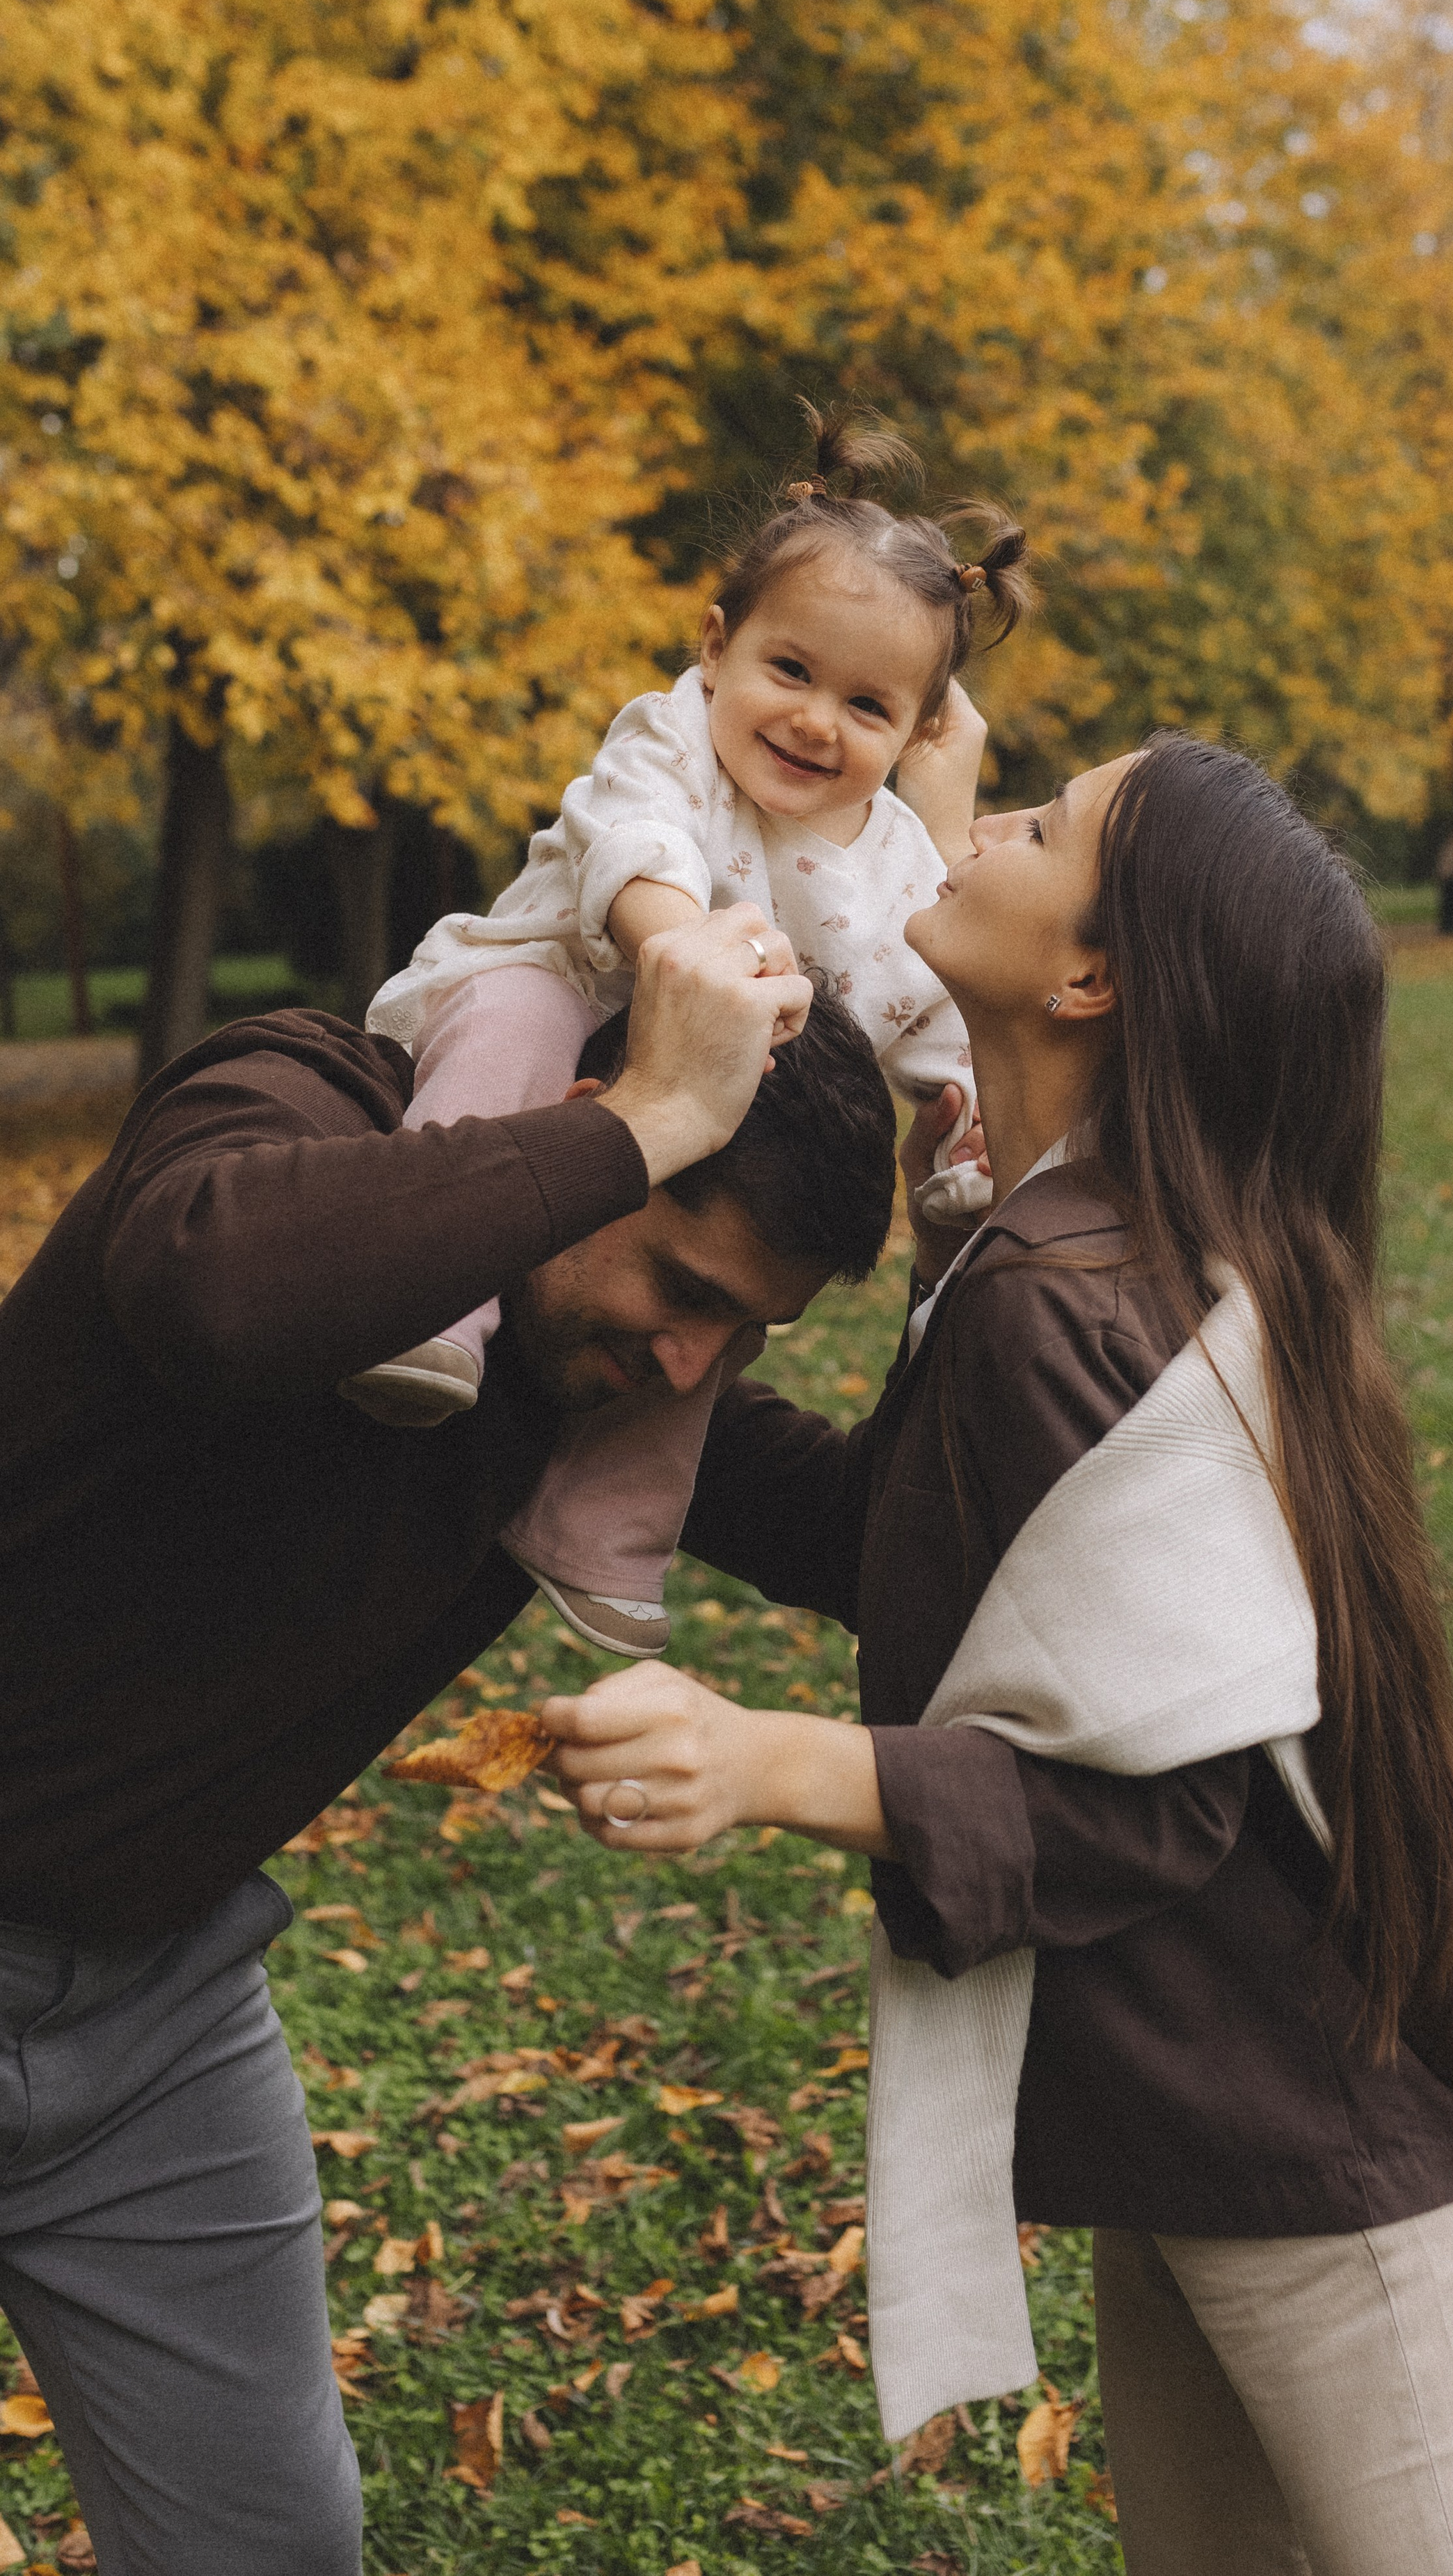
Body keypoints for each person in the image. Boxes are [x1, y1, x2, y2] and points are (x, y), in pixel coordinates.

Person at [544, 738, 1453, 2576]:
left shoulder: (1075, 1292)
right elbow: (919, 1550)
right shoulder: (1073, 1239)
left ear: (1092, 975)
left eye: (1040, 828)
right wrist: (597, 1343)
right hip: (1223, 2138)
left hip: (1348, 2160)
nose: (980, 826)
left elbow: (1161, 1802)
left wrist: (765, 1765)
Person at [0, 908, 900, 2576]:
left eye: (742, 1334)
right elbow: (212, 1285)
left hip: (150, 2014)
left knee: (269, 2544)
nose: (689, 1360)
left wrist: (1020, 1230)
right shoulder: (296, 1097)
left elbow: (878, 1541)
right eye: (686, 1285)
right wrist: (636, 1126)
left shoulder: (598, 1378)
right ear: (581, 1101)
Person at [345, 404, 1029, 1661]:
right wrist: (681, 949)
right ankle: (419, 1296)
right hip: (568, 980)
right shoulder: (671, 737)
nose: (819, 723)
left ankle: (606, 1528)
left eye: (869, 707)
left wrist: (968, 1120)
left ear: (917, 733)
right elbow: (633, 846)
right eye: (791, 672)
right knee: (515, 1018)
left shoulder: (892, 862)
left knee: (696, 1315)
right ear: (716, 646)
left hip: (705, 1098)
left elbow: (920, 1006)